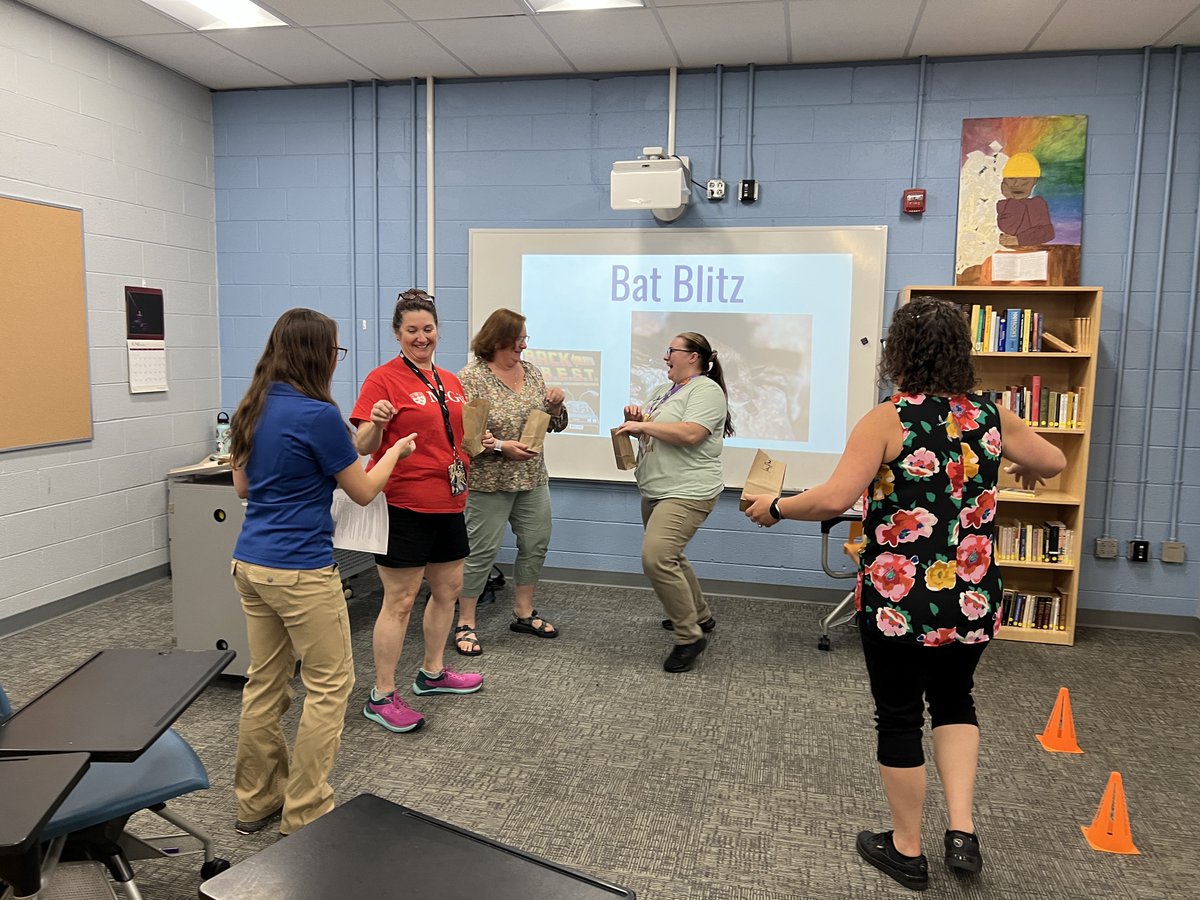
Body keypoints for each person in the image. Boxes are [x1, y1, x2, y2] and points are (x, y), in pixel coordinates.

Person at [745, 297, 1065, 891]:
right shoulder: (991, 416)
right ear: (959, 354)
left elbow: (834, 498)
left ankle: (908, 848)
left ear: (899, 353)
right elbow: (1053, 458)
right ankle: (962, 832)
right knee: (955, 702)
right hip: (971, 594)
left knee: (897, 716)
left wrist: (776, 507)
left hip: (901, 603)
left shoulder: (888, 418)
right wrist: (1026, 470)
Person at [228, 308, 416, 837]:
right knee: (331, 684)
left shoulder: (252, 405)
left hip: (251, 565)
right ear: (318, 355)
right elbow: (361, 488)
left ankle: (255, 803)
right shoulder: (316, 414)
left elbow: (244, 488)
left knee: (264, 684)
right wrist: (396, 451)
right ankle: (305, 812)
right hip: (300, 571)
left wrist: (371, 435)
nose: (338, 361)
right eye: (336, 351)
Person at [351, 289, 484, 735]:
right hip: (404, 503)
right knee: (401, 600)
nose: (421, 337)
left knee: (448, 590)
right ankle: (382, 695)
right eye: (412, 330)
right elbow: (363, 446)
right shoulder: (381, 380)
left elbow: (457, 435)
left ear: (437, 331)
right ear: (397, 334)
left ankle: (432, 673)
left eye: (428, 329)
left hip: (450, 500)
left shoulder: (451, 379)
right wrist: (379, 421)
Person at [616, 332, 734, 673]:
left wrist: (645, 427)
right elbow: (660, 431)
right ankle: (699, 615)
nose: (665, 357)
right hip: (656, 487)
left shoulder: (707, 390)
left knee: (656, 558)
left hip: (688, 490)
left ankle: (689, 636)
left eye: (671, 351)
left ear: (693, 356)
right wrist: (639, 425)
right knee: (671, 556)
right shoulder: (663, 391)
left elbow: (691, 433)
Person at [454, 309, 568, 656]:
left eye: (524, 339)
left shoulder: (532, 373)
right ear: (499, 339)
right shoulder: (471, 378)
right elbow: (468, 437)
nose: (523, 345)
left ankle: (523, 612)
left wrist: (556, 407)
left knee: (535, 544)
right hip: (490, 482)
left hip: (532, 479)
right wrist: (503, 447)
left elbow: (553, 425)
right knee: (479, 554)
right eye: (519, 338)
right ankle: (466, 622)